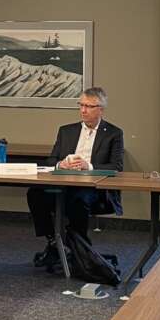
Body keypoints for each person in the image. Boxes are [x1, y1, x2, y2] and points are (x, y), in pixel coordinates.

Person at [27, 87, 124, 267]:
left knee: (78, 199)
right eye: (81, 105)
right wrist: (60, 165)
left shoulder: (113, 133)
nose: (83, 110)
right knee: (35, 193)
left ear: (100, 109)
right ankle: (54, 242)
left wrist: (90, 166)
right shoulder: (66, 131)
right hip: (64, 184)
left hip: (94, 188)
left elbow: (117, 167)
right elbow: (51, 160)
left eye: (89, 106)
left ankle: (81, 248)